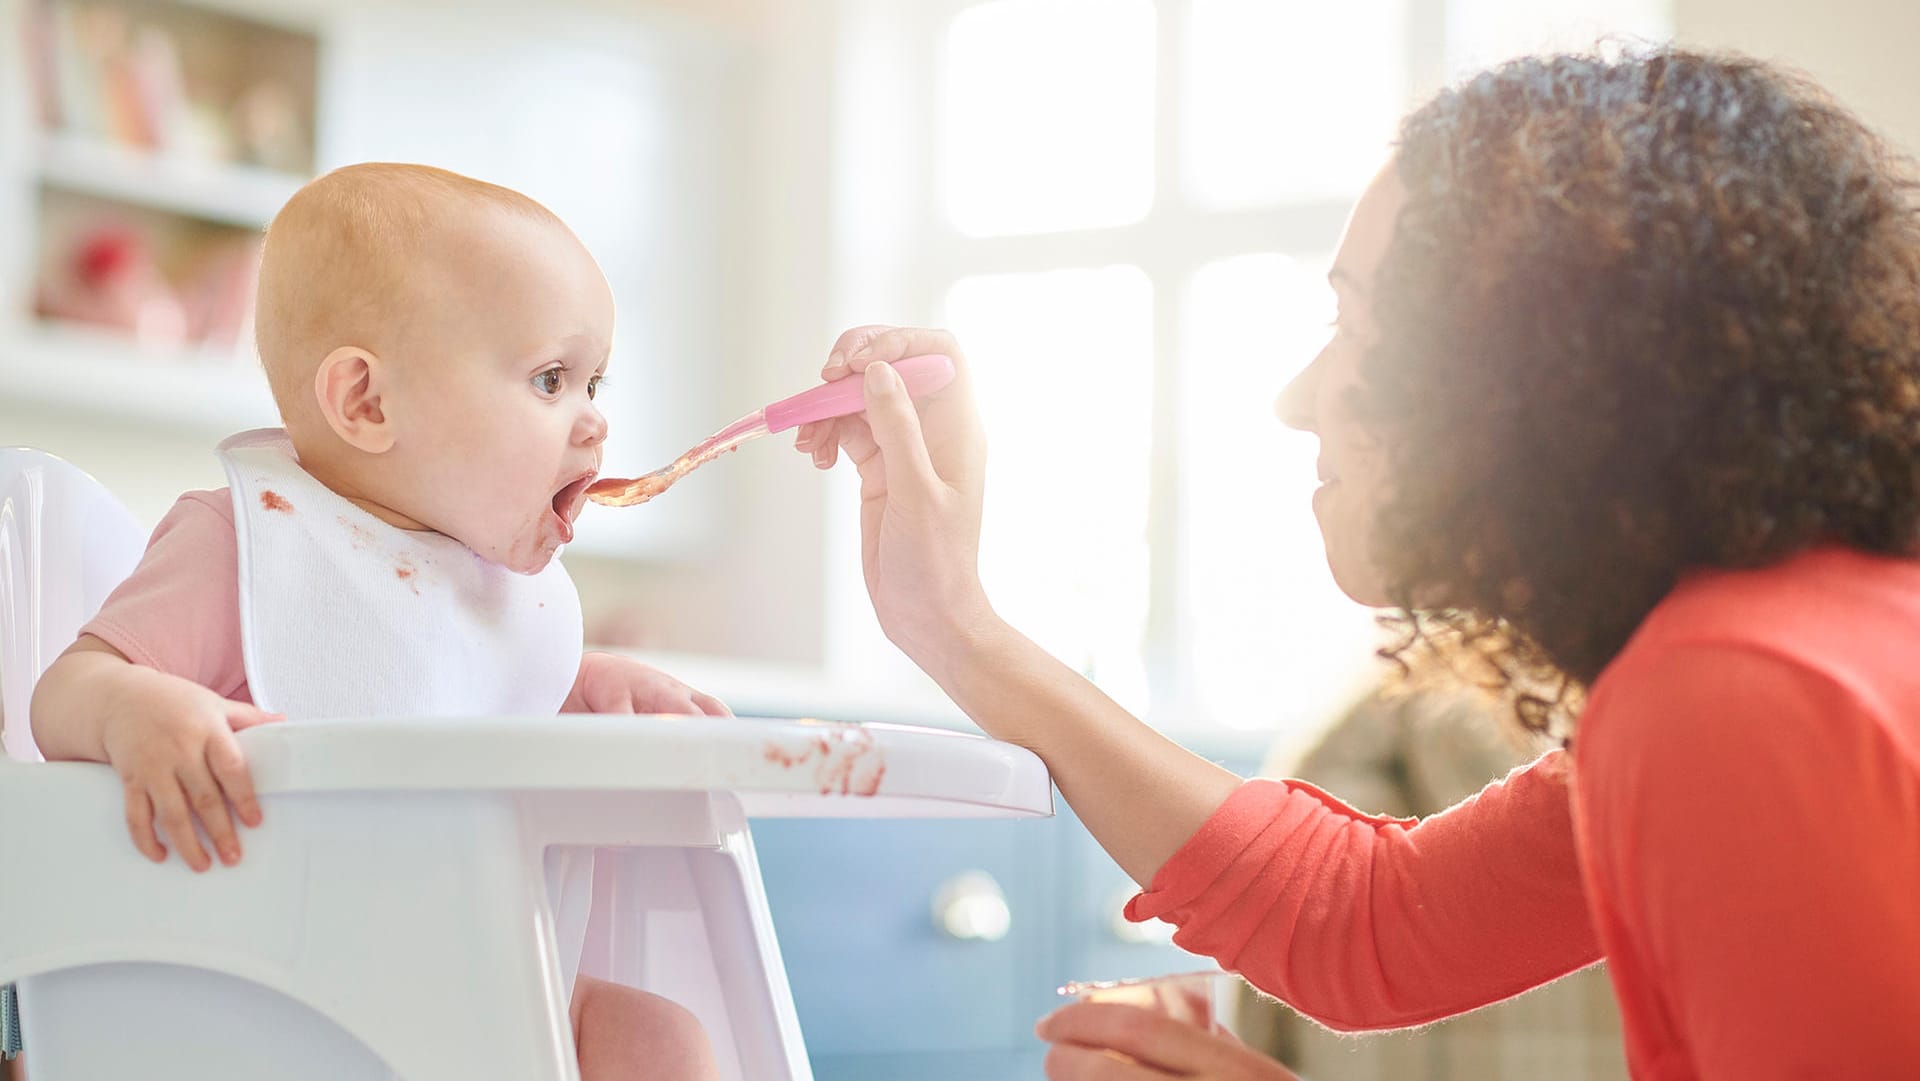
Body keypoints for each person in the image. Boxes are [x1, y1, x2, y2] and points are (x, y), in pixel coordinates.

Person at [795, 47, 1920, 1080]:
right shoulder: (1764, 655)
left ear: (1532, 366)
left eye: (1358, 322)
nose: (1298, 398)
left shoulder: (1742, 696)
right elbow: (1366, 920)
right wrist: (951, 622)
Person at [28, 163, 726, 1081]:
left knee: (659, 1038)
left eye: (597, 382)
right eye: (552, 378)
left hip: (498, 983)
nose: (595, 421)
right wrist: (132, 708)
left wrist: (581, 684)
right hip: (285, 1001)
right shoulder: (248, 545)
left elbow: (460, 712)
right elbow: (66, 689)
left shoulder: (500, 596)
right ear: (366, 401)